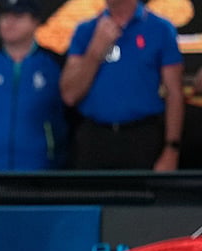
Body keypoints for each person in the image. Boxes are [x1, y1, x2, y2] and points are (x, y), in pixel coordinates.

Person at [60, 0, 183, 170]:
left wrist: (172, 149)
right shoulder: (86, 31)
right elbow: (69, 95)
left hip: (142, 138)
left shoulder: (161, 29)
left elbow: (174, 93)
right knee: (90, 196)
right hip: (94, 139)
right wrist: (96, 50)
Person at [0, 0, 69, 171]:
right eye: (4, 16)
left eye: (17, 16)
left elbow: (69, 112)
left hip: (41, 169)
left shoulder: (54, 64)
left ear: (35, 21)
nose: (8, 22)